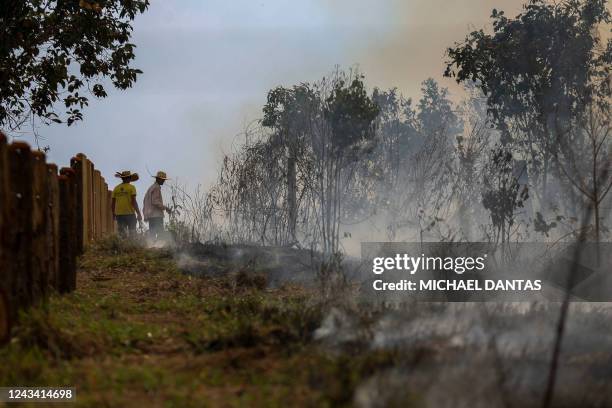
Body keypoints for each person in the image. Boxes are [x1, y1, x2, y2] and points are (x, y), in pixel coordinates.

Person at [111, 170, 142, 236]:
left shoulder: (116, 188)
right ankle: (131, 245)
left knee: (122, 234)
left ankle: (123, 246)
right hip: (130, 213)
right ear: (129, 178)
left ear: (122, 178)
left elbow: (113, 203)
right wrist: (138, 213)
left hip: (119, 215)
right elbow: (133, 201)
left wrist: (113, 214)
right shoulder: (132, 187)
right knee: (132, 233)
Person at [143, 170, 171, 239]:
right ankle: (159, 247)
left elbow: (145, 201)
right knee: (160, 233)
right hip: (156, 215)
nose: (164, 181)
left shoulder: (151, 188)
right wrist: (166, 208)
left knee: (152, 234)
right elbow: (155, 202)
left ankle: (152, 247)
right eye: (162, 180)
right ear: (158, 179)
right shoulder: (156, 187)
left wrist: (145, 214)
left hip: (151, 215)